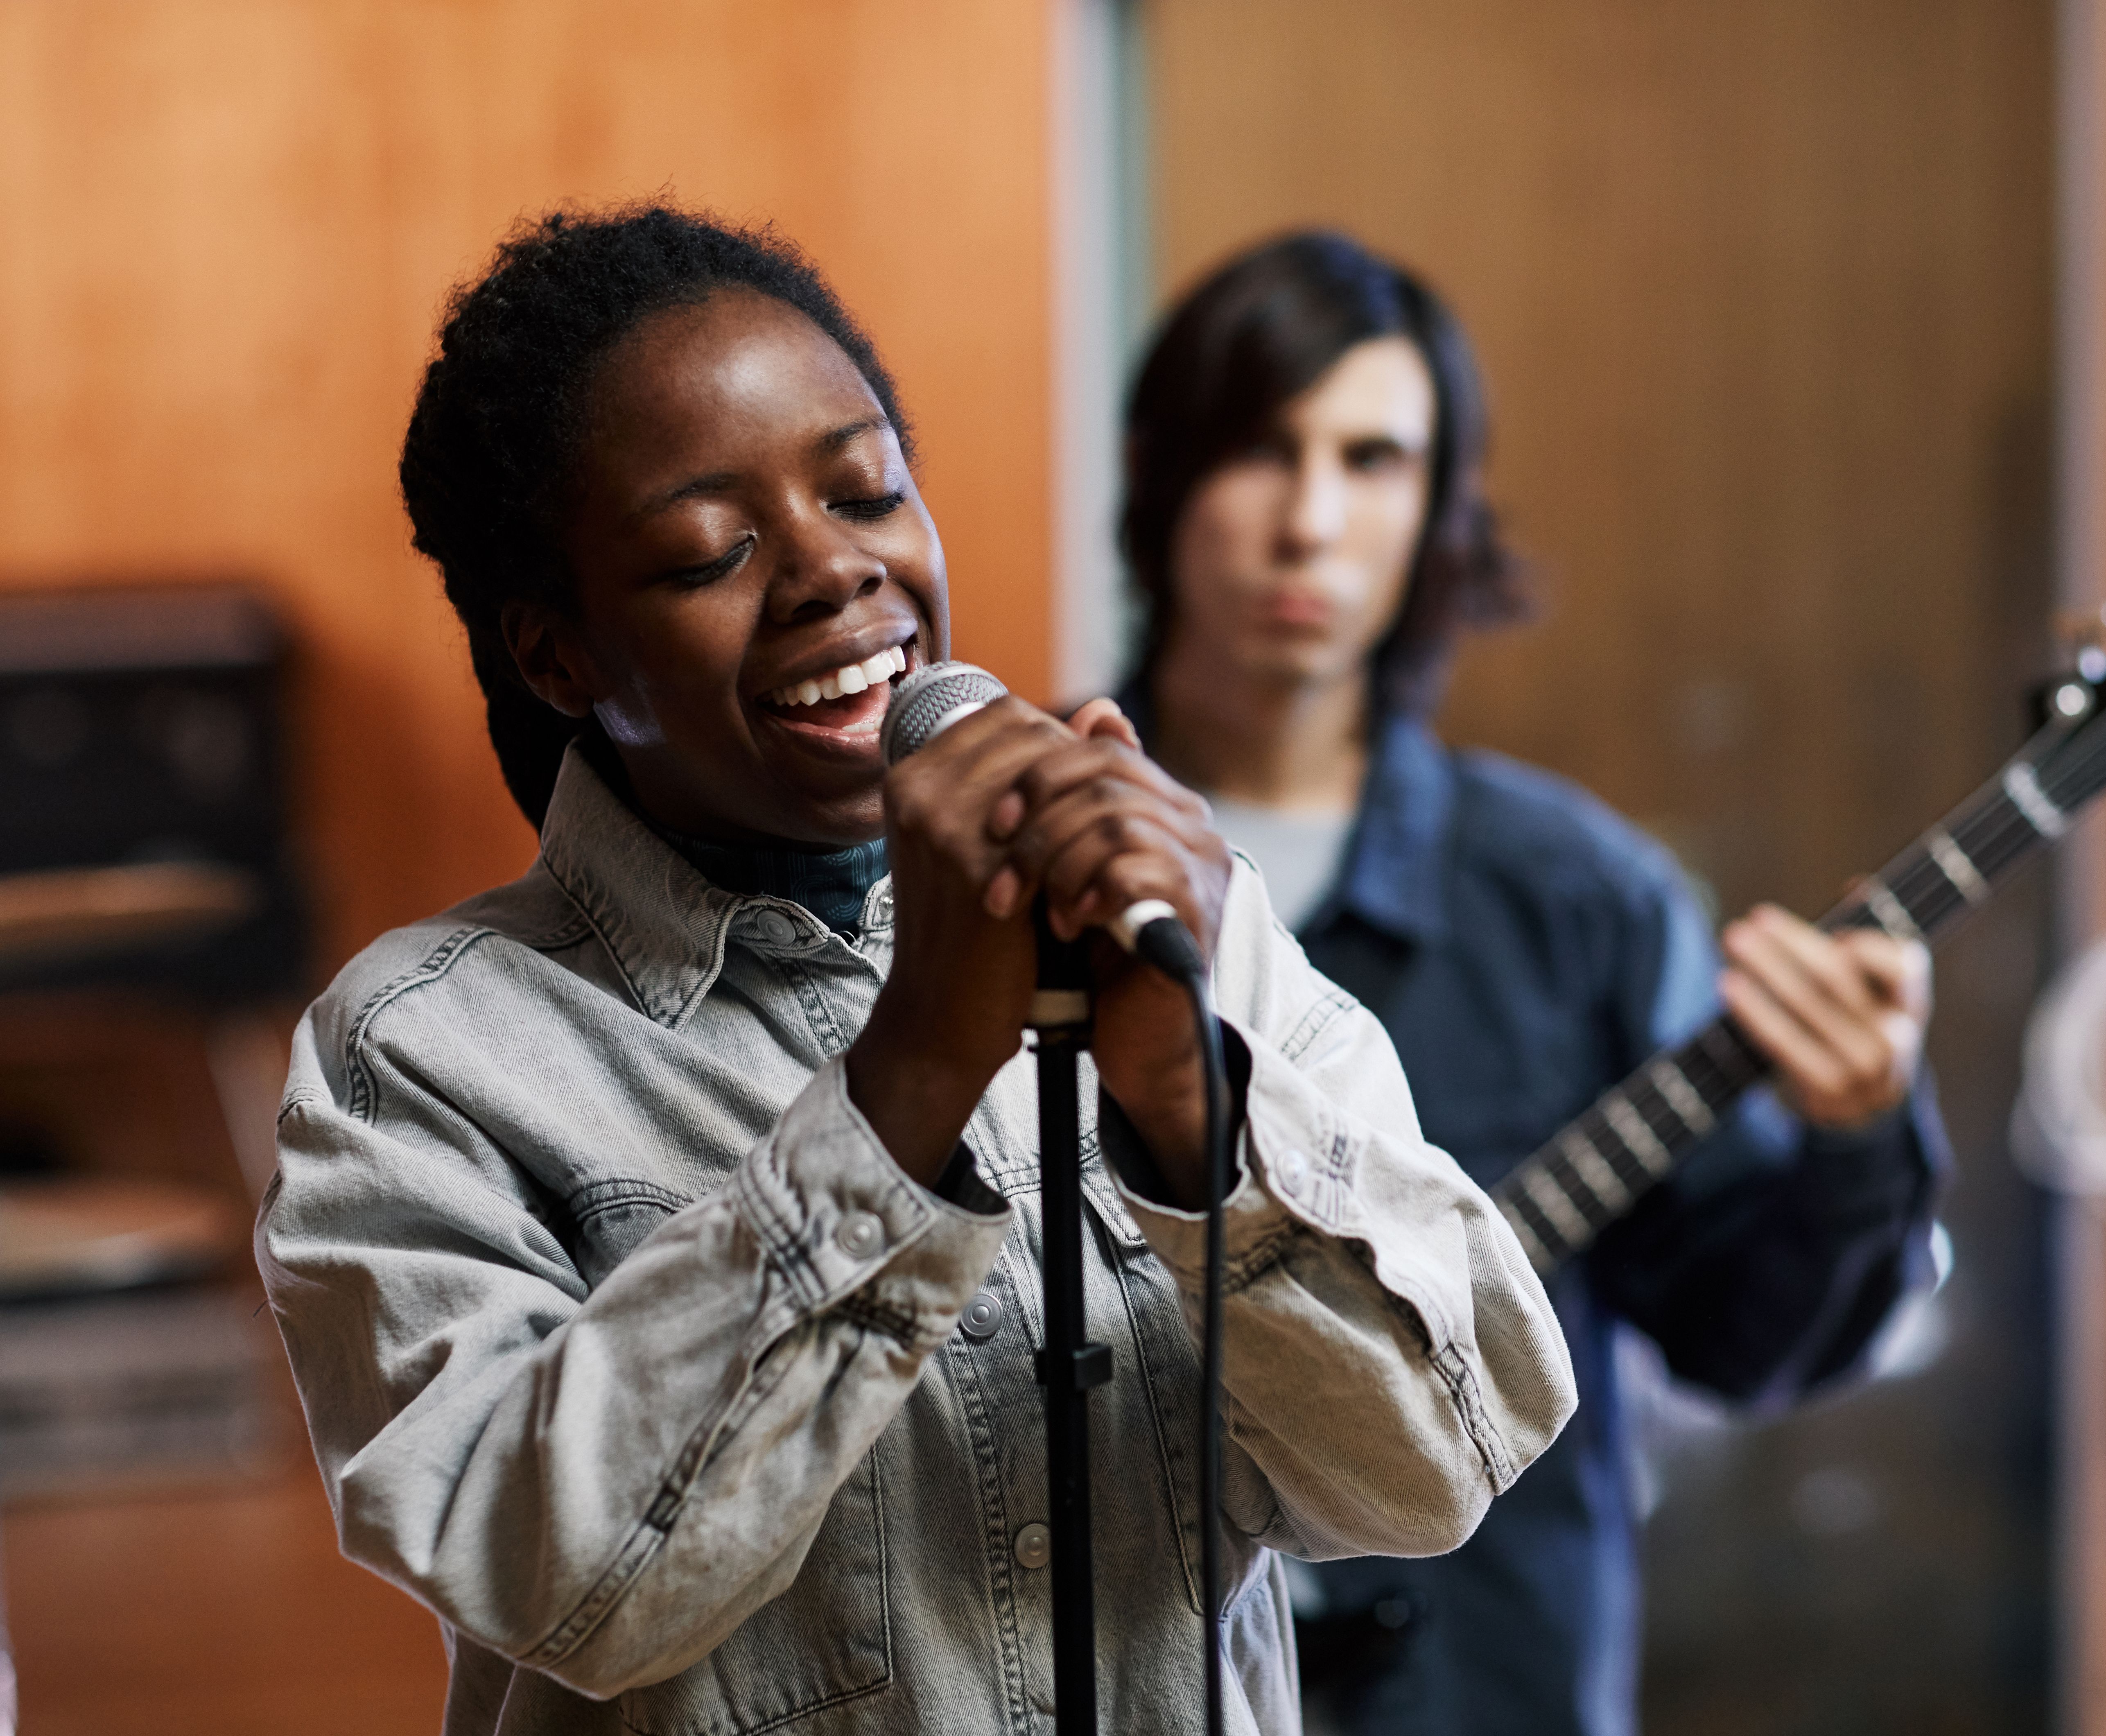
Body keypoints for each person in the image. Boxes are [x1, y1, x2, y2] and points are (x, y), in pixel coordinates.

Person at [254, 206, 1574, 1736]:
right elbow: (568, 1585)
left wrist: (1185, 1107)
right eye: (709, 551)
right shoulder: (421, 1055)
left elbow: (1430, 1479)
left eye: (868, 490)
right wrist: (914, 1074)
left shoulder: (1182, 918)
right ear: (560, 657)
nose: (831, 570)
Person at [1116, 232, 1950, 1736]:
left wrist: (1859, 1135)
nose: (1310, 522)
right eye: (1259, 450)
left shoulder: (1581, 901)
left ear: (1438, 511)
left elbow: (1745, 1336)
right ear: (1161, 476)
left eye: (1372, 460)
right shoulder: (991, 861)